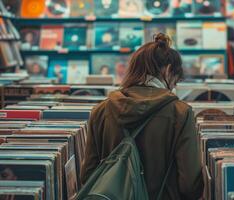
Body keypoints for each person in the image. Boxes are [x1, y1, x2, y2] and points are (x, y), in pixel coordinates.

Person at [80, 33, 204, 200]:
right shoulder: (180, 113)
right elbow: (189, 185)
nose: (174, 86)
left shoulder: (101, 110)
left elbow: (88, 176)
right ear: (168, 70)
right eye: (176, 80)